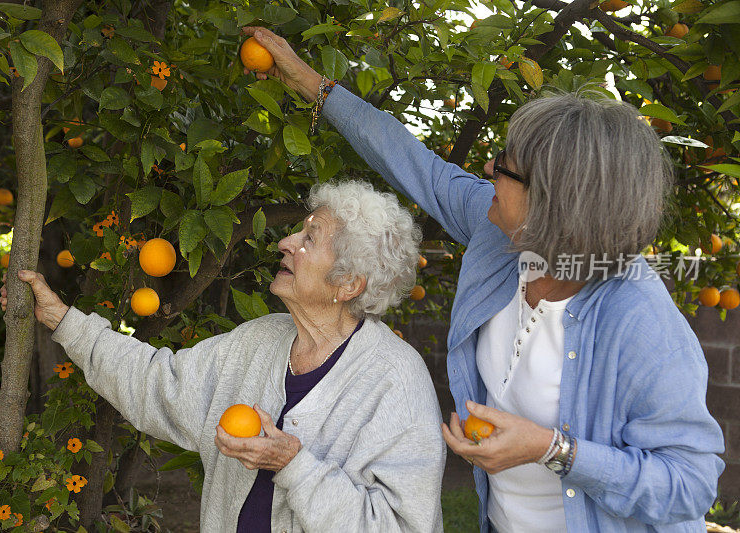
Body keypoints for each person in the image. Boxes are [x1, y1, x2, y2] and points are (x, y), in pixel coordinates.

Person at [242, 26, 726, 532]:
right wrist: (311, 83)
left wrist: (551, 450)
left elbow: (690, 485)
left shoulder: (640, 318)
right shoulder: (502, 236)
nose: (489, 167)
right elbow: (416, 166)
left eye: (507, 167)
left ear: (557, 204)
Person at [0, 180, 445, 532]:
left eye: (310, 237)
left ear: (348, 284)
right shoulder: (258, 342)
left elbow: (399, 525)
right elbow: (158, 384)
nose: (285, 241)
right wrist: (64, 321)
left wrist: (293, 465)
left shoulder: (396, 379)